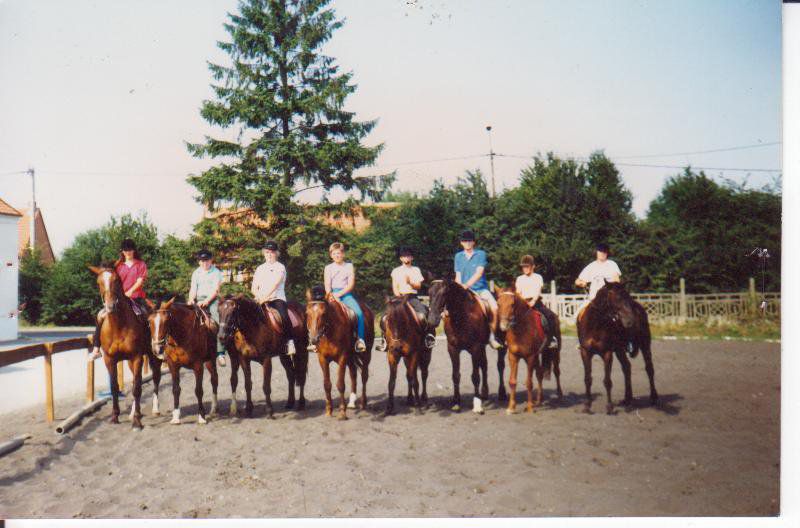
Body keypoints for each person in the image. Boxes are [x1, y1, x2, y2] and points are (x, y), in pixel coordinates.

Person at [88, 238, 149, 363]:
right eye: (125, 250)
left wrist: (130, 291)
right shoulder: (118, 266)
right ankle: (96, 348)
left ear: (134, 250)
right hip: (119, 299)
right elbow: (110, 280)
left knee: (147, 315)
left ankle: (151, 345)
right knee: (100, 316)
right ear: (122, 252)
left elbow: (140, 281)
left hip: (136, 297)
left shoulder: (141, 264)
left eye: (130, 250)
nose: (128, 252)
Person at [376, 246, 436, 352]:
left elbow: (418, 286)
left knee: (424, 314)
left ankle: (428, 337)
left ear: (412, 258)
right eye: (404, 256)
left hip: (412, 297)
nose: (406, 258)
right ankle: (384, 340)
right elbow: (395, 286)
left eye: (408, 256)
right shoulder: (396, 271)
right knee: (385, 317)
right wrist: (398, 295)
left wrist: (410, 282)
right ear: (401, 258)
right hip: (399, 297)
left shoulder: (416, 270)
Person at [454, 230, 501, 349]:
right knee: (449, 308)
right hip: (464, 291)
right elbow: (458, 276)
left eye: (470, 241)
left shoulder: (480, 254)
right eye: (465, 241)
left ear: (474, 242)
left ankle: (492, 336)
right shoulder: (458, 256)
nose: (467, 243)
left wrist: (466, 285)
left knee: (495, 308)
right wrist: (458, 289)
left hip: (480, 289)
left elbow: (479, 273)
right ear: (461, 243)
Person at [251, 240, 296, 356]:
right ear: (264, 253)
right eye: (267, 252)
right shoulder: (260, 268)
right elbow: (253, 287)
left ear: (276, 253)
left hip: (276, 298)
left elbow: (275, 285)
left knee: (284, 316)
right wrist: (258, 296)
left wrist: (265, 298)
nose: (269, 254)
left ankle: (290, 341)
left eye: (272, 252)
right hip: (260, 298)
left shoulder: (280, 267)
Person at [324, 242, 367, 352]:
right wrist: (331, 295)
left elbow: (350, 285)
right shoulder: (328, 268)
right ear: (331, 255)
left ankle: (360, 339)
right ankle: (316, 341)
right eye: (334, 254)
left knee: (359, 313)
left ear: (343, 254)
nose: (337, 255)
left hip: (345, 294)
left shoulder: (349, 266)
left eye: (338, 253)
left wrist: (339, 295)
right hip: (331, 295)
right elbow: (327, 284)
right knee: (318, 313)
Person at [187, 249, 226, 366]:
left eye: (207, 260)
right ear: (199, 262)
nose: (205, 263)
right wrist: (191, 299)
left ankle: (220, 352)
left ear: (211, 260)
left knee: (219, 322)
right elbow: (193, 288)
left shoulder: (216, 272)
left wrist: (206, 301)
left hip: (212, 300)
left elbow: (216, 290)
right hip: (198, 300)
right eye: (202, 261)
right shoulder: (196, 273)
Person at [515, 254, 558, 348]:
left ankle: (551, 338)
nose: (525, 269)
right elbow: (518, 292)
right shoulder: (519, 279)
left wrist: (533, 301)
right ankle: (507, 339)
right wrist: (523, 302)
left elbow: (538, 290)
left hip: (536, 302)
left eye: (527, 266)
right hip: (523, 303)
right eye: (523, 267)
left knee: (550, 315)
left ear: (533, 266)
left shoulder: (538, 277)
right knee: (510, 316)